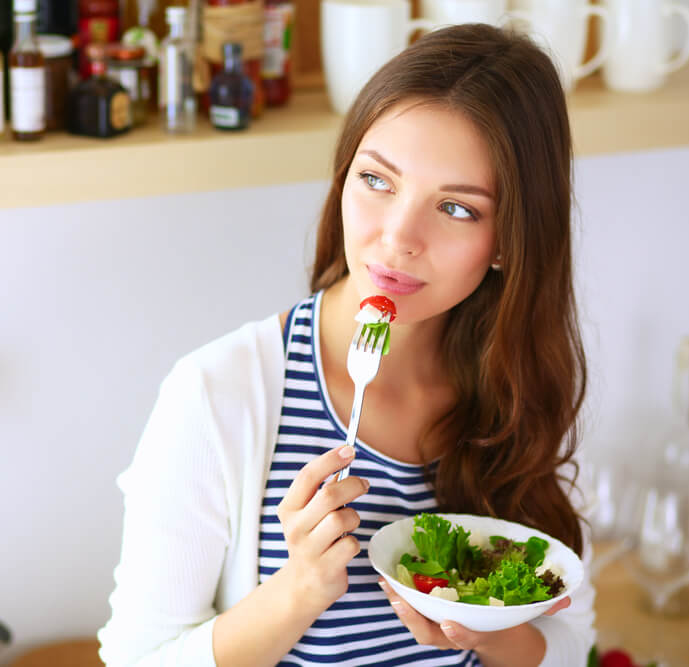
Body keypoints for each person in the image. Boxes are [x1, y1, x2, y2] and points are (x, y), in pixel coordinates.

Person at [98, 22, 596, 667]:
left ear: (510, 239)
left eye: (456, 208)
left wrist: (487, 627)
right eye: (377, 180)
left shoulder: (520, 388)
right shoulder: (217, 396)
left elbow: (572, 645)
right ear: (343, 177)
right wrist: (297, 592)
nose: (397, 237)